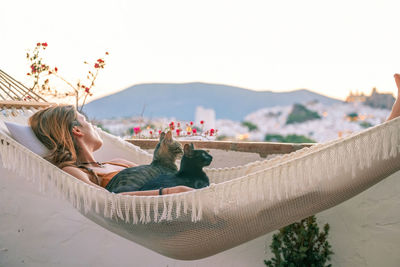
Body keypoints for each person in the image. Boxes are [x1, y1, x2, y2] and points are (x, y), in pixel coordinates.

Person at [29, 105, 193, 196]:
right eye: (85, 121)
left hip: (183, 201)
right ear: (77, 130)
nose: (94, 126)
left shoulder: (120, 163)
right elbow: (108, 201)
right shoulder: (73, 171)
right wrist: (172, 192)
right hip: (169, 205)